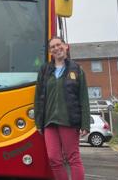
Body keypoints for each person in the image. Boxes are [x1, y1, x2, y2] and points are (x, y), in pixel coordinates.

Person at [34, 36, 90, 180]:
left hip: (69, 121)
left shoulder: (77, 69)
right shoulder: (45, 70)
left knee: (73, 158)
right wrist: (38, 122)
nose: (56, 48)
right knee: (54, 159)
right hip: (49, 122)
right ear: (50, 51)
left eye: (58, 44)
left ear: (66, 46)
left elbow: (83, 98)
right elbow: (38, 97)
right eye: (52, 47)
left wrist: (85, 124)